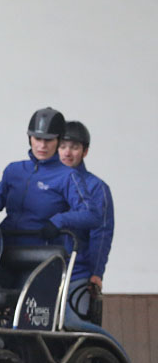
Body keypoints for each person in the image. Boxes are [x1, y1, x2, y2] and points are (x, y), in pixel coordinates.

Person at [0, 107, 100, 249]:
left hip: (42, 252)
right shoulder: (14, 170)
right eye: (38, 139)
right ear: (30, 139)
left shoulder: (68, 176)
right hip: (5, 248)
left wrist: (58, 221)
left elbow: (91, 214)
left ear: (58, 140)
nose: (42, 146)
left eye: (49, 140)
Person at [59, 120, 115, 332]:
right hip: (47, 269)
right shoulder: (50, 183)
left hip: (78, 273)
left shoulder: (97, 188)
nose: (67, 153)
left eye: (74, 147)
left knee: (75, 328)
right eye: (63, 146)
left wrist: (96, 273)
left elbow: (102, 233)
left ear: (85, 151)